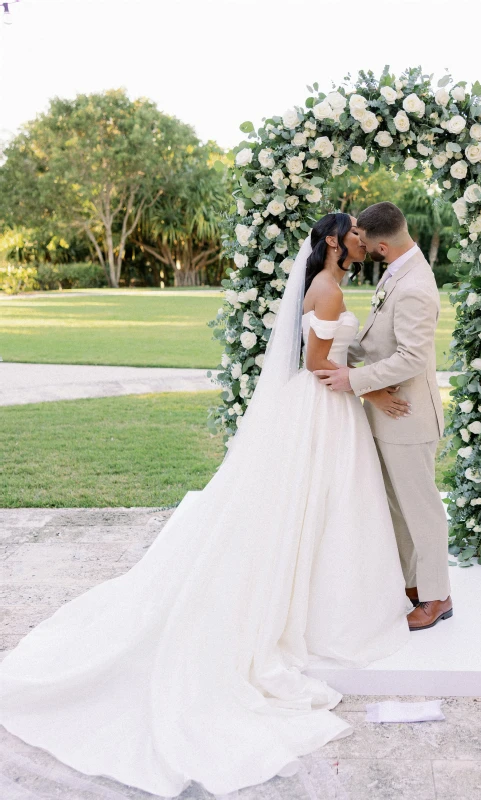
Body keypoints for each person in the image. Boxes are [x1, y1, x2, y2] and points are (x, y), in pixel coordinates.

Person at [0, 213, 416, 798]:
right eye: (351, 231)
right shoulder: (325, 288)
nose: (358, 239)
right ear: (332, 241)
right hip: (324, 409)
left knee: (332, 512)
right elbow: (321, 366)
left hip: (329, 409)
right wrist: (378, 387)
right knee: (314, 508)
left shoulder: (331, 285)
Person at [314, 202, 453, 631]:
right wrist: (340, 354)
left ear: (383, 245)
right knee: (397, 508)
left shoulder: (414, 286)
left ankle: (437, 597)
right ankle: (414, 584)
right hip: (389, 417)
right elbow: (378, 344)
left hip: (408, 416)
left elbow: (411, 358)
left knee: (422, 510)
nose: (362, 247)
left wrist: (353, 381)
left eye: (366, 242)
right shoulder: (400, 272)